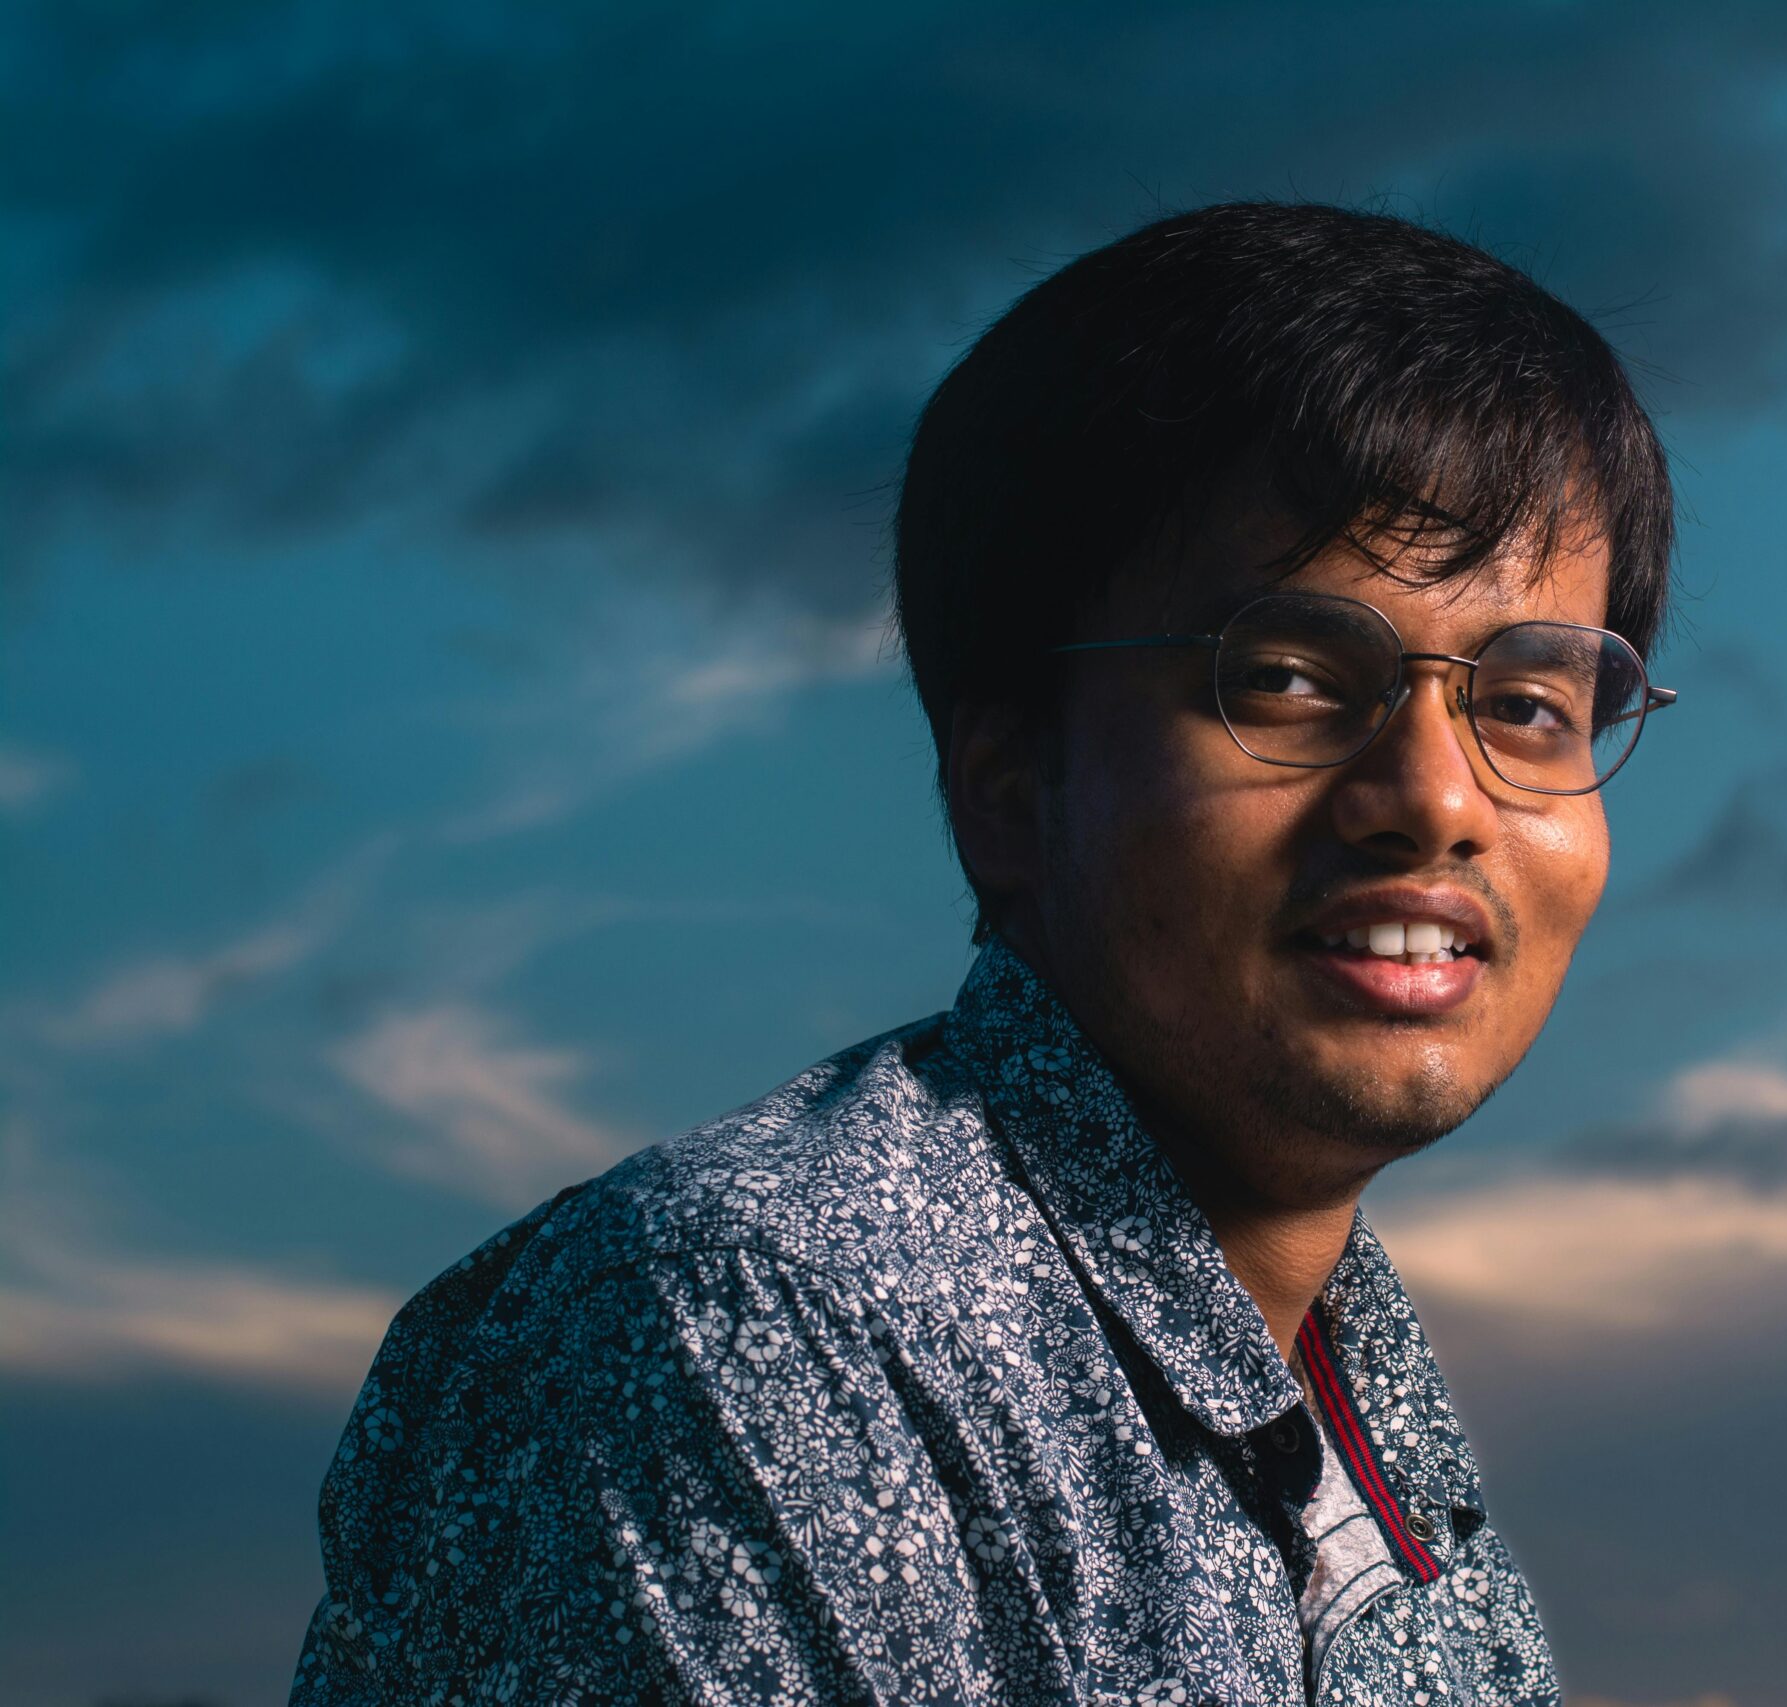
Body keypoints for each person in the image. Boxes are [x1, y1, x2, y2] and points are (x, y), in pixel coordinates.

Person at [292, 200, 1677, 1707]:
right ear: (1008, 785)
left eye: (1530, 705)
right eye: (1286, 678)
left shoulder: (1349, 1402)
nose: (1435, 797)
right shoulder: (768, 1324)